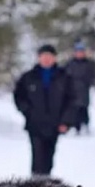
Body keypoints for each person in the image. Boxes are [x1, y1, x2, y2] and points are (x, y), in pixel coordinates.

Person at [13, 44, 77, 176]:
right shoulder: (29, 77)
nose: (46, 59)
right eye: (44, 56)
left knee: (49, 156)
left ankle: (46, 182)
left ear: (54, 58)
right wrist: (28, 111)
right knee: (37, 155)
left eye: (49, 56)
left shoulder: (64, 77)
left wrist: (66, 121)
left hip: (55, 124)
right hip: (35, 124)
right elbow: (18, 96)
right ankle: (35, 185)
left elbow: (71, 100)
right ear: (39, 58)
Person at [65, 40, 95, 134]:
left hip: (84, 89)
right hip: (72, 90)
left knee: (83, 108)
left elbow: (93, 75)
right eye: (78, 52)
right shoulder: (70, 64)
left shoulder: (89, 64)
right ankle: (76, 127)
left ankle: (85, 125)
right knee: (74, 109)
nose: (79, 54)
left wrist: (89, 82)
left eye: (81, 52)